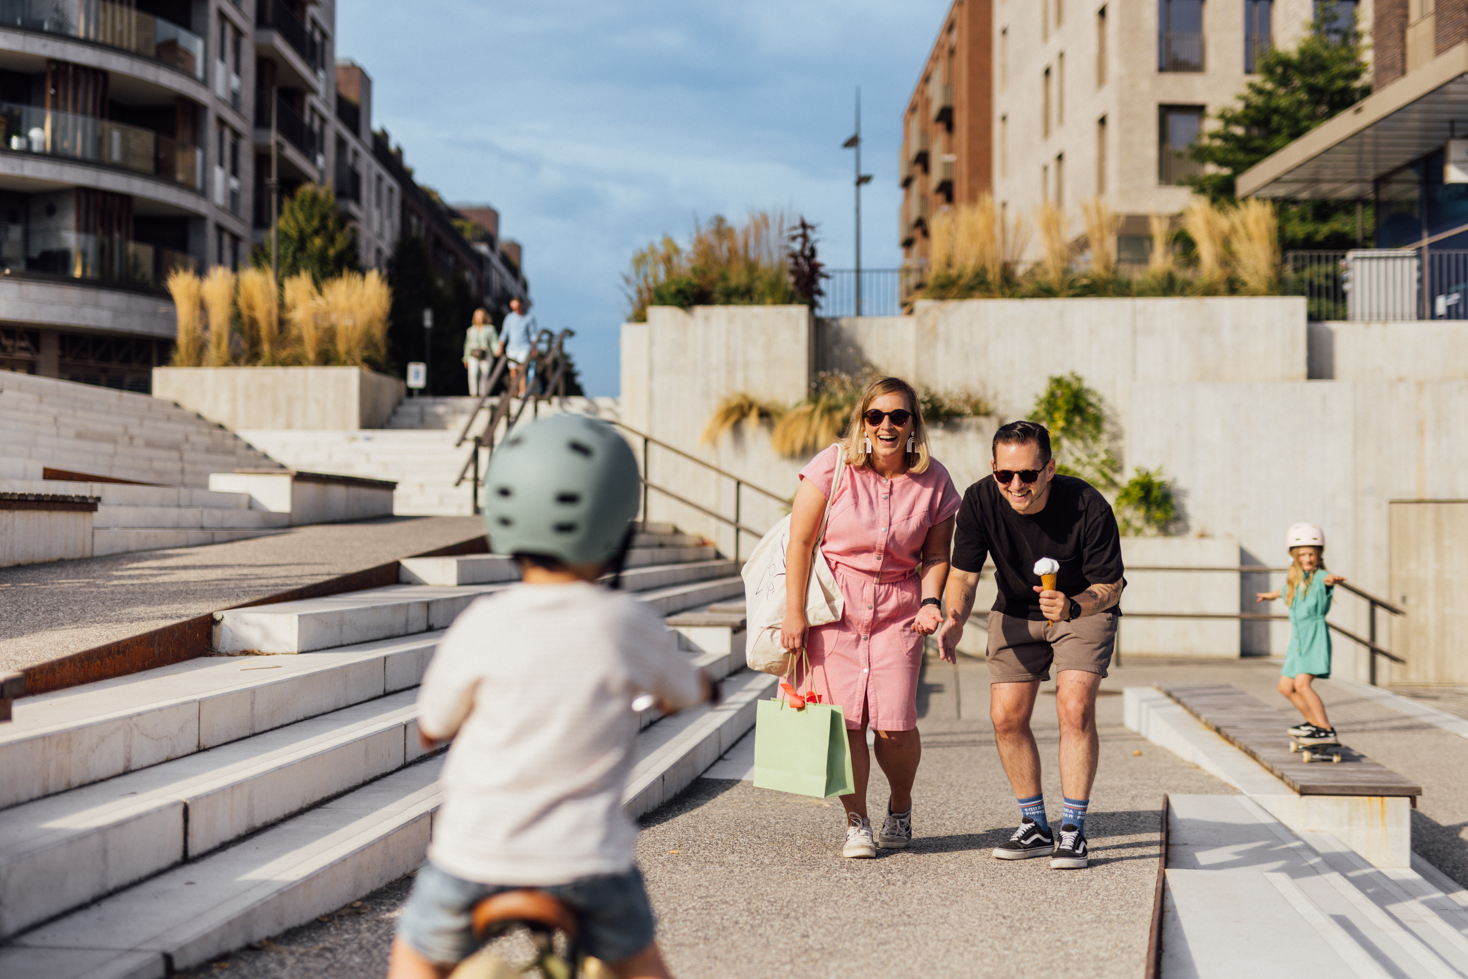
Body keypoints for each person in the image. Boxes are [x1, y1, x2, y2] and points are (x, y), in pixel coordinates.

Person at [386, 414, 715, 979]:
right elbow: (685, 689)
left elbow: (432, 725)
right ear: (617, 526)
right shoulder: (627, 624)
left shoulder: (482, 622)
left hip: (474, 855)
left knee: (414, 957)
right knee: (643, 967)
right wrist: (701, 689)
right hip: (587, 863)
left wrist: (442, 728)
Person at [781, 376, 960, 859]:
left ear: (912, 425)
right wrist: (794, 612)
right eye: (875, 415)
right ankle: (856, 822)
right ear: (863, 421)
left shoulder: (935, 480)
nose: (886, 425)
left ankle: (899, 806)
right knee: (845, 725)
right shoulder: (832, 465)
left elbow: (936, 556)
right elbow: (800, 543)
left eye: (898, 416)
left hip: (900, 611)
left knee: (895, 725)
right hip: (834, 608)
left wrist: (931, 602)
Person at [936, 420, 1125, 871]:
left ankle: (1073, 829)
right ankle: (1036, 825)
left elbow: (1112, 585)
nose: (1016, 485)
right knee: (1006, 717)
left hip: (1080, 609)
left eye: (1028, 474)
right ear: (994, 469)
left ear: (1050, 469)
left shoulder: (1087, 504)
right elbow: (963, 575)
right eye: (1005, 474)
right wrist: (954, 617)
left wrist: (1073, 606)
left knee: (1074, 708)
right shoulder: (980, 500)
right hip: (1016, 610)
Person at [1256, 523, 1345, 743]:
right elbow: (1285, 590)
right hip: (1297, 642)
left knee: (1302, 684)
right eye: (1302, 555)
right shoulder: (1295, 579)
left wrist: (1333, 580)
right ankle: (1314, 725)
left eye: (1311, 554)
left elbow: (1327, 579)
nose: (1307, 559)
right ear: (1294, 556)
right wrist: (1270, 595)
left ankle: (1326, 729)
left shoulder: (1320, 576)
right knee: (1285, 687)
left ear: (1319, 555)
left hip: (1314, 638)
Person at [500, 296, 538, 397]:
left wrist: (534, 348)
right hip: (511, 348)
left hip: (524, 348)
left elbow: (533, 334)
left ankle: (522, 392)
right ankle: (514, 392)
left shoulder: (529, 318)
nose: (515, 310)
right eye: (513, 308)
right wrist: (500, 346)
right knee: (513, 372)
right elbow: (504, 333)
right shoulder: (509, 318)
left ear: (522, 305)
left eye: (517, 307)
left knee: (522, 370)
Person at [462, 308, 498, 397]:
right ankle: (473, 393)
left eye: (481, 316)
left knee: (484, 375)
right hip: (473, 354)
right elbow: (467, 344)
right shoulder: (470, 330)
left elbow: (494, 342)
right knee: (473, 373)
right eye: (477, 316)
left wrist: (496, 351)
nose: (479, 318)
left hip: (486, 355)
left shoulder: (490, 329)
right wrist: (465, 358)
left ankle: (483, 394)